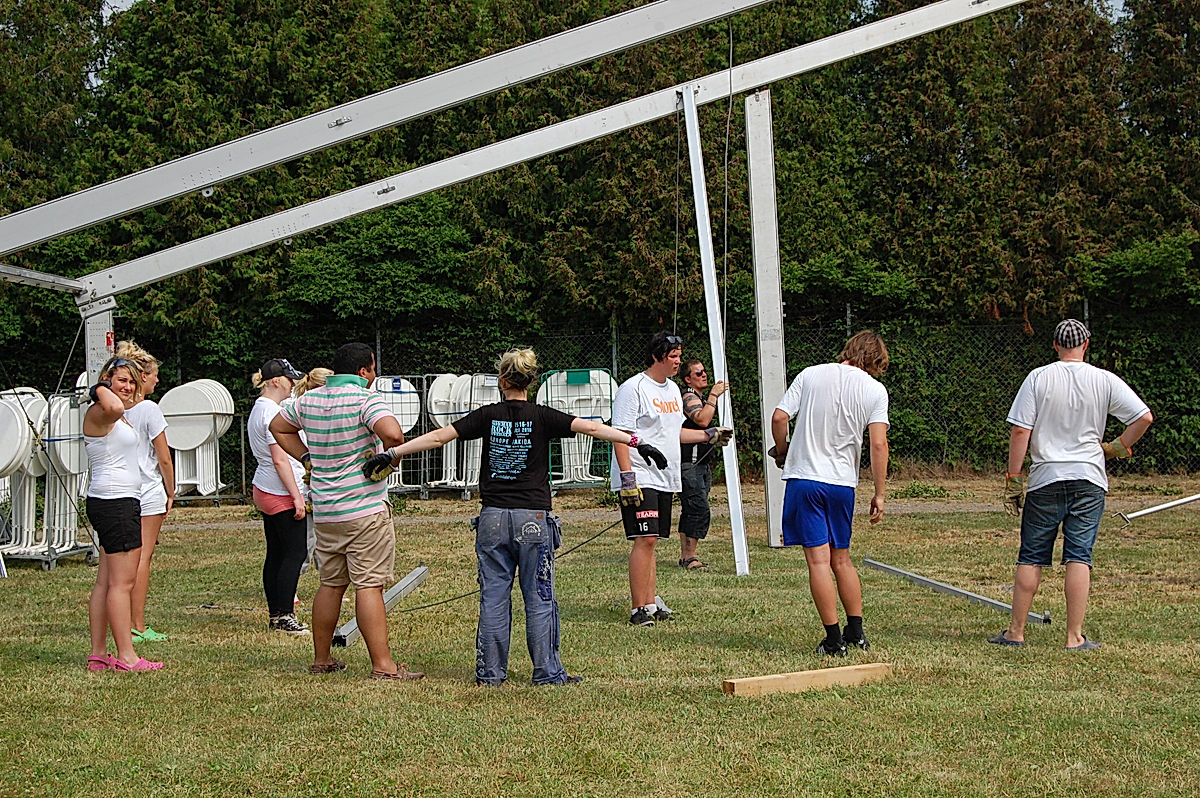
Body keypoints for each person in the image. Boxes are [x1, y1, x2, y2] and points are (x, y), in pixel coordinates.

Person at [362, 347, 668, 685]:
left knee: (493, 597)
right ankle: (547, 672)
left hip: (492, 518)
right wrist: (637, 442)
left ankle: (491, 674)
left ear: (501, 380)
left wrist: (391, 453)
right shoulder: (542, 415)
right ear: (531, 382)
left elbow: (437, 437)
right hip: (534, 519)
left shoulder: (487, 415)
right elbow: (594, 429)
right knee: (539, 597)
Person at [991, 319, 1153, 650]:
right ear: (1086, 344)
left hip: (1046, 478)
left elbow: (1021, 431)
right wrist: (1117, 447)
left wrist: (1014, 477)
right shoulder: (1104, 379)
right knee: (1079, 555)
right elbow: (1143, 417)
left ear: (1054, 345)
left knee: (1032, 555)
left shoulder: (1038, 377)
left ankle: (1016, 632)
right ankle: (1074, 636)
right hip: (1090, 478)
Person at [270, 343, 422, 680]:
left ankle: (322, 659)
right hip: (365, 508)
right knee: (368, 585)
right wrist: (388, 457)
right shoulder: (366, 399)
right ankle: (383, 666)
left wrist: (308, 458)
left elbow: (278, 428)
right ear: (365, 370)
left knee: (331, 584)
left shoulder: (308, 399)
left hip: (326, 509)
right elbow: (394, 434)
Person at [770, 330, 890, 656]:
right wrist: (879, 493)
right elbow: (879, 444)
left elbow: (780, 417)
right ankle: (857, 632)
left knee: (818, 562)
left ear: (849, 350)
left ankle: (833, 640)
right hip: (843, 484)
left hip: (806, 479)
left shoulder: (811, 374)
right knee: (842, 559)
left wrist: (782, 451)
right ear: (875, 361)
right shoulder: (875, 390)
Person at [611, 332, 732, 627]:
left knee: (654, 540)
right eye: (672, 356)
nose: (678, 361)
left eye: (679, 355)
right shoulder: (634, 388)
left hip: (664, 474)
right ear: (656, 357)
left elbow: (673, 433)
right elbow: (621, 434)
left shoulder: (673, 391)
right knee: (645, 538)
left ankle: (651, 603)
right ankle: (637, 608)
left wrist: (709, 435)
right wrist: (628, 477)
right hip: (639, 472)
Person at [83, 356, 164, 672]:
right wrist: (99, 388)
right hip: (116, 503)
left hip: (114, 502)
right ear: (107, 380)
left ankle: (99, 654)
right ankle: (127, 657)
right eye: (121, 381)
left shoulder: (115, 416)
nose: (128, 387)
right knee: (121, 584)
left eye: (132, 381)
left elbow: (121, 409)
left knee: (106, 581)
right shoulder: (101, 411)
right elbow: (115, 407)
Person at [114, 340, 175, 644]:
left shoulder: (112, 407)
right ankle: (137, 622)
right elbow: (163, 456)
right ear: (143, 376)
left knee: (119, 561)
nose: (156, 381)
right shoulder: (149, 408)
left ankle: (122, 621)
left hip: (119, 490)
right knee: (142, 558)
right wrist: (171, 489)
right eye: (153, 376)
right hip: (148, 489)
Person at [248, 358, 310, 636]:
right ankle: (285, 615)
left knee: (275, 553)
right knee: (294, 553)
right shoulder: (272, 413)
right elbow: (280, 460)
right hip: (280, 489)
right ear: (275, 381)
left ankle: (276, 612)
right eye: (288, 379)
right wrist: (297, 497)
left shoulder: (259, 409)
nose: (293, 384)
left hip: (264, 486)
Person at [677, 357, 728, 571]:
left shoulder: (697, 396)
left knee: (691, 508)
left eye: (704, 371)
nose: (704, 375)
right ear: (688, 379)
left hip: (700, 463)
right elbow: (702, 420)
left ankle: (686, 555)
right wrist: (714, 395)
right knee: (698, 508)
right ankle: (690, 556)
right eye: (698, 373)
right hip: (689, 463)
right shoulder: (689, 396)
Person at [291, 367, 332, 583]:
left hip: (319, 484)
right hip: (307, 485)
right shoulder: (305, 407)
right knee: (306, 542)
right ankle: (291, 588)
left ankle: (329, 583)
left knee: (324, 541)